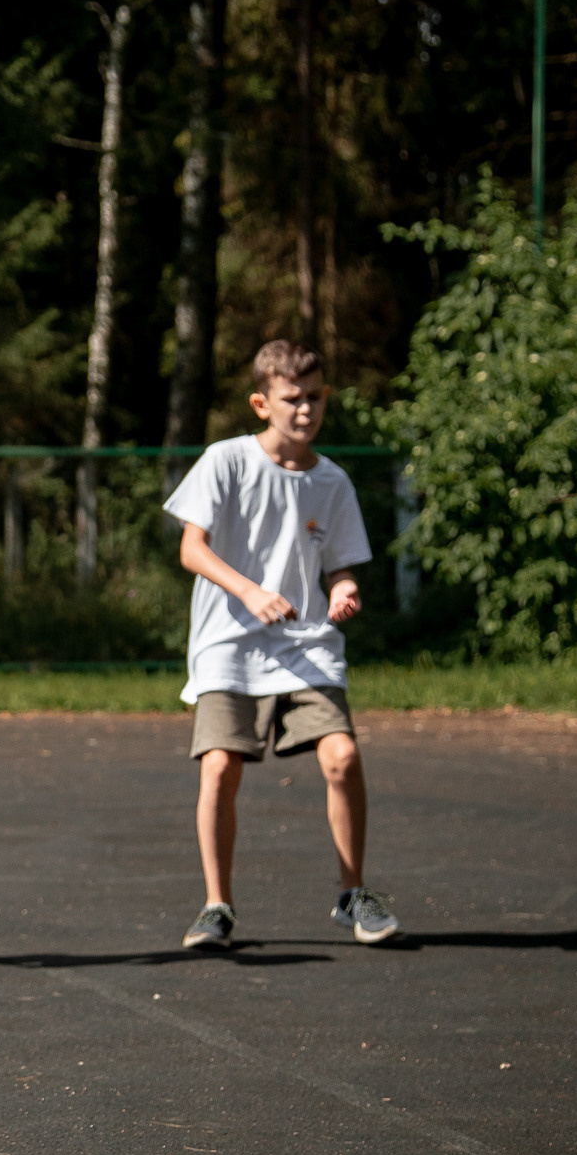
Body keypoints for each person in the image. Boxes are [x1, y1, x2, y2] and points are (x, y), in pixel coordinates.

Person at [160, 338, 399, 952]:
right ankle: (217, 906)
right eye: (293, 399)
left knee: (342, 757)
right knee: (220, 766)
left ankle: (354, 893)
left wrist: (343, 593)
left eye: (316, 397)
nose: (306, 410)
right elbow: (192, 549)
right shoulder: (226, 460)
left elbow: (341, 568)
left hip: (305, 644)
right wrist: (251, 592)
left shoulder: (333, 482)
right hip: (228, 643)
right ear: (261, 402)